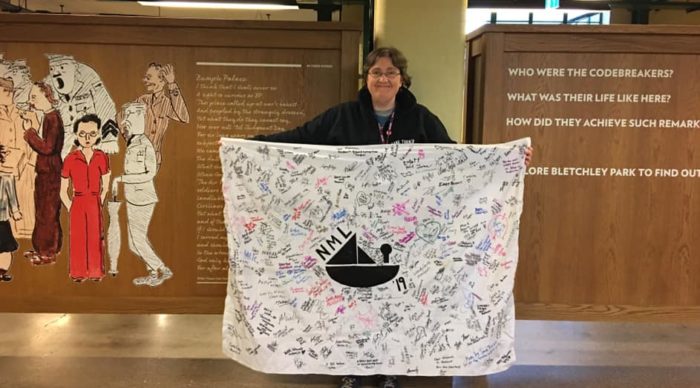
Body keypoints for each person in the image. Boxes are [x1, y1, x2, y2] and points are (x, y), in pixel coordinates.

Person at [254, 47, 532, 388]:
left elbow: (454, 157)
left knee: (394, 300)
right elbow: (299, 139)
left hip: (403, 232)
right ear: (366, 78)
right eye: (376, 72)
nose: (383, 78)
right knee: (353, 299)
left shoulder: (420, 118)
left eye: (390, 73)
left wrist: (504, 159)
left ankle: (390, 366)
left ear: (402, 79)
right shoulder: (343, 116)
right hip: (354, 226)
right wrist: (251, 146)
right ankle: (353, 366)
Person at [112, 102, 172, 287]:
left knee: (137, 239)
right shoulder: (132, 141)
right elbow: (119, 123)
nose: (127, 122)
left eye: (131, 117)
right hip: (133, 198)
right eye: (127, 117)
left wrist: (121, 179)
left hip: (143, 198)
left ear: (141, 118)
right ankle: (155, 272)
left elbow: (149, 173)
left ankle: (161, 268)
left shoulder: (145, 144)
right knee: (134, 242)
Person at [60, 114, 110, 282]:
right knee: (78, 238)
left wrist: (99, 201)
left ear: (98, 134)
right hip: (78, 201)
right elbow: (63, 189)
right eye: (82, 134)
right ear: (76, 135)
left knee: (96, 237)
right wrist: (71, 206)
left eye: (92, 133)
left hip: (95, 201)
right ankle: (79, 273)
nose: (87, 138)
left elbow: (106, 184)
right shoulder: (70, 158)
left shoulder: (101, 156)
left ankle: (96, 272)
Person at [22, 81, 64, 266]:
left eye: (34, 97)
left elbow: (47, 148)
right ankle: (42, 248)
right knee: (43, 211)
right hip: (47, 171)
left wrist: (29, 132)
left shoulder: (53, 118)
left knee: (47, 212)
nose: (31, 102)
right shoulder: (48, 117)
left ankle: (47, 252)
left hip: (50, 172)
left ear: (46, 96)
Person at [131, 63, 189, 167]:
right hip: (136, 158)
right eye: (145, 77)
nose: (145, 80)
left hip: (154, 160)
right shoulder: (142, 100)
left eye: (148, 78)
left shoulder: (167, 103)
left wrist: (172, 84)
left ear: (162, 81)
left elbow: (184, 117)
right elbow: (123, 119)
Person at [0, 77, 36, 239]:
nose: (9, 94)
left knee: (9, 182)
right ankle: (13, 211)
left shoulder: (19, 113)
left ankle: (14, 213)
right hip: (4, 162)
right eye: (5, 91)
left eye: (10, 91)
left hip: (19, 165)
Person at [0, 144, 22, 282]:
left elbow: (12, 197)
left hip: (2, 218)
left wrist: (15, 212)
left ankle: (2, 270)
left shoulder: (6, 179)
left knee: (5, 247)